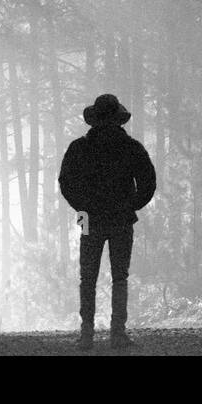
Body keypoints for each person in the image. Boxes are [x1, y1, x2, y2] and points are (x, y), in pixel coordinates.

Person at [58, 92, 157, 350]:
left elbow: (66, 183)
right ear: (118, 119)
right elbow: (148, 183)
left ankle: (87, 334)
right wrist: (131, 205)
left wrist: (82, 208)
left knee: (87, 277)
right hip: (121, 220)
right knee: (120, 277)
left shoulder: (79, 147)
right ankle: (117, 333)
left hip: (90, 220)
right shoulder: (131, 148)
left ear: (95, 118)